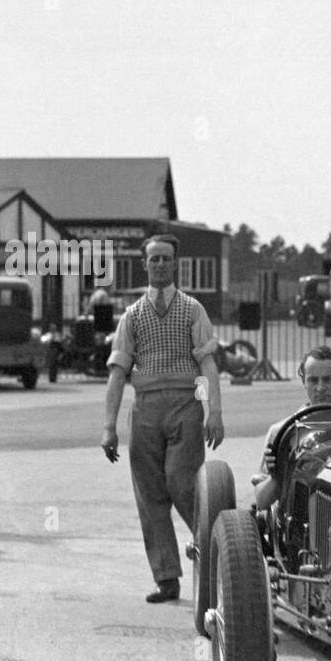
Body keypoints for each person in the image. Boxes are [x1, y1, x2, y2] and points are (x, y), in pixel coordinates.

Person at [102, 234, 224, 603]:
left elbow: (206, 362)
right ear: (144, 263)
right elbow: (118, 372)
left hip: (185, 404)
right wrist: (109, 426)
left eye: (165, 259)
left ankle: (218, 553)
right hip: (145, 408)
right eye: (153, 259)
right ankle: (166, 577)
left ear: (175, 264)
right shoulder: (132, 315)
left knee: (182, 483)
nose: (159, 265)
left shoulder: (192, 309)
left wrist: (211, 410)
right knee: (150, 495)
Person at [251, 346, 331, 510]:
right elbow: (262, 502)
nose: (320, 388)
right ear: (304, 381)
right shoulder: (282, 432)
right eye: (313, 380)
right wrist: (276, 476)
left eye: (328, 380)